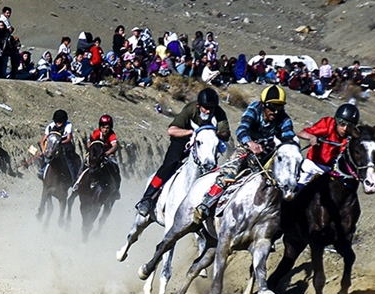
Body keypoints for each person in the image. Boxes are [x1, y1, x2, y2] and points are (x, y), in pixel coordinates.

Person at [193, 85, 296, 223]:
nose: (276, 112)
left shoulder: (284, 118)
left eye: (279, 107)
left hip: (269, 153)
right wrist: (251, 143)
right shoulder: (254, 109)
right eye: (272, 107)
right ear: (263, 104)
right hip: (246, 148)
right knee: (230, 172)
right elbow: (242, 129)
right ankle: (205, 205)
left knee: (285, 179)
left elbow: (288, 136)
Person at [135, 87, 231, 217]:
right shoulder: (190, 109)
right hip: (184, 140)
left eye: (211, 108)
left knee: (212, 165)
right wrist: (192, 132)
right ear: (198, 105)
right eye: (205, 108)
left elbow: (225, 134)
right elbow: (171, 130)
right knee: (171, 164)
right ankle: (147, 199)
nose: (208, 111)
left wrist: (210, 133)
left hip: (206, 142)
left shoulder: (219, 113)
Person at [295, 103, 360, 187]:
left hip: (333, 171)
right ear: (336, 121)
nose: (345, 128)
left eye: (350, 126)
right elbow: (301, 133)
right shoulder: (328, 124)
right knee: (297, 190)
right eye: (342, 123)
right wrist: (311, 137)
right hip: (312, 166)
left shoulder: (353, 136)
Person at [75, 114, 121, 194]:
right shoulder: (96, 132)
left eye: (107, 128)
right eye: (103, 127)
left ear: (110, 128)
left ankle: (116, 188)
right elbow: (89, 142)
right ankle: (78, 181)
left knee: (115, 166)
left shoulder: (112, 135)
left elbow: (115, 146)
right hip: (96, 153)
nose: (105, 130)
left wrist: (107, 153)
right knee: (85, 162)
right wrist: (91, 150)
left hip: (107, 154)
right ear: (100, 127)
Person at [39, 109, 81, 182]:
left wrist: (60, 143)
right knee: (45, 157)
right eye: (57, 122)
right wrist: (44, 150)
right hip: (52, 145)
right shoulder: (50, 126)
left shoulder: (68, 125)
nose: (58, 123)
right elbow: (42, 141)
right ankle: (42, 170)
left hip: (65, 144)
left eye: (60, 122)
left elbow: (68, 138)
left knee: (69, 159)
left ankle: (73, 176)